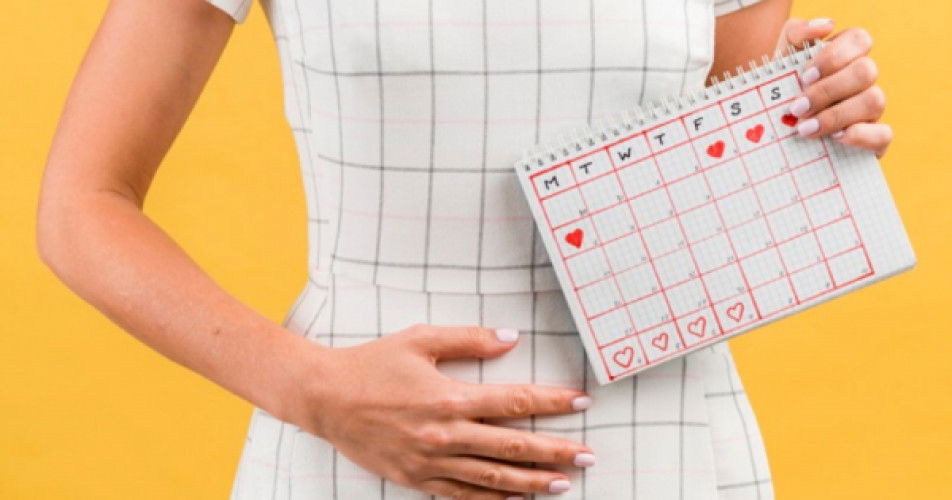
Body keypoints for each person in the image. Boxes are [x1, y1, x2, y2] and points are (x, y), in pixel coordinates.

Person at [36, 0, 891, 498]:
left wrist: (807, 112)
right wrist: (315, 392)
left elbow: (698, 192)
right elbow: (81, 206)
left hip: (666, 444)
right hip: (357, 445)